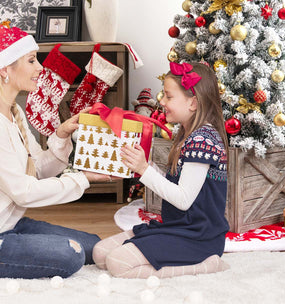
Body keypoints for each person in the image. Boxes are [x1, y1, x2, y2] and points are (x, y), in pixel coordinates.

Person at [0, 24, 113, 279]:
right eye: (32, 61)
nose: (40, 68)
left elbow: (37, 171)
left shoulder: (14, 112)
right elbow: (24, 193)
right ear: (4, 69)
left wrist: (61, 134)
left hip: (8, 227)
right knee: (72, 254)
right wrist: (83, 179)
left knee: (95, 245)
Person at [93, 61, 230, 278]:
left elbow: (183, 199)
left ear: (193, 103)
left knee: (117, 263)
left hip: (197, 237)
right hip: (175, 227)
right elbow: (174, 183)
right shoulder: (187, 135)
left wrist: (145, 169)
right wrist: (145, 165)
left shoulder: (203, 139)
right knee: (100, 254)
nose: (162, 102)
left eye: (168, 96)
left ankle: (206, 265)